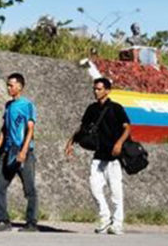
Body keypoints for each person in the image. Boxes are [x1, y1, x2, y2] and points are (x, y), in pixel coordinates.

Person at [64, 77, 131, 235]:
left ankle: (118, 223)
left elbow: (127, 128)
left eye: (99, 89)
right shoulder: (92, 109)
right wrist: (70, 142)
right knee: (94, 188)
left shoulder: (116, 108)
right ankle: (105, 217)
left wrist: (119, 143)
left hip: (113, 157)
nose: (96, 91)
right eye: (94, 88)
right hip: (98, 155)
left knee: (116, 192)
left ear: (107, 90)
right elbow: (83, 128)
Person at [0, 73, 38, 232]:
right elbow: (4, 128)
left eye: (11, 85)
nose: (8, 88)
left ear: (20, 87)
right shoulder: (8, 105)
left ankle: (31, 223)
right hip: (7, 151)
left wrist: (23, 151)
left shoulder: (27, 105)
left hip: (23, 152)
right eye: (8, 85)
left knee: (29, 189)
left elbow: (30, 129)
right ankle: (3, 221)